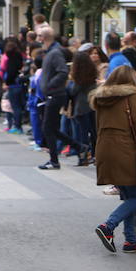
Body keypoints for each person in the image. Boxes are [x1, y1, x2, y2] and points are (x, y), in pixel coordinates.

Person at [93, 65, 136, 253]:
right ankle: (108, 226)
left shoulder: (100, 98)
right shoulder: (131, 96)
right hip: (125, 149)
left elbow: (97, 126)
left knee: (130, 195)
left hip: (105, 148)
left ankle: (131, 241)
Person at [38, 26, 88, 169]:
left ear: (44, 37)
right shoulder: (51, 52)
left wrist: (50, 86)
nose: (38, 38)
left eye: (39, 35)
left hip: (55, 94)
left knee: (48, 128)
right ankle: (79, 147)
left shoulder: (55, 53)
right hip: (53, 94)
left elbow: (62, 71)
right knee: (52, 128)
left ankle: (55, 161)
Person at [68, 51, 99, 164]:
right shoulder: (92, 72)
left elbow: (73, 91)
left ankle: (83, 156)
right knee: (94, 132)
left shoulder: (78, 76)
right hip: (92, 105)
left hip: (81, 107)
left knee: (82, 134)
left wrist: (70, 83)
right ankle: (96, 155)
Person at [1, 39, 27, 134]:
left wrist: (7, 83)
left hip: (13, 85)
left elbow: (10, 73)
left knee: (15, 107)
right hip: (20, 84)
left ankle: (17, 126)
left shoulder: (11, 61)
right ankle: (18, 126)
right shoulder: (19, 57)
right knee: (19, 106)